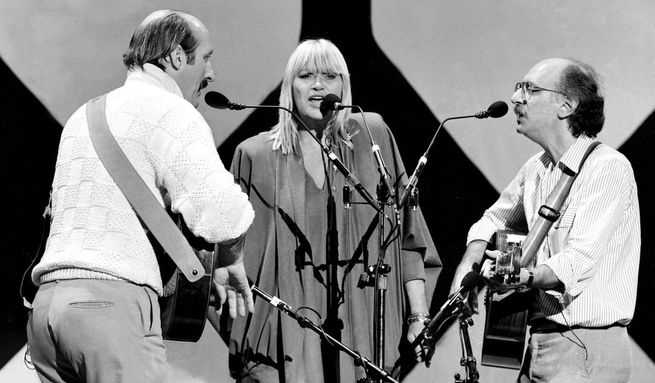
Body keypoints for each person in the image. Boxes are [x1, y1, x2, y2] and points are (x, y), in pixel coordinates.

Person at [26, 10, 255, 383]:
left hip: (47, 311)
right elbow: (224, 213)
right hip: (109, 314)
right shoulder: (171, 111)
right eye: (207, 57)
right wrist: (231, 258)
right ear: (177, 57)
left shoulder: (82, 115)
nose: (211, 73)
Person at [226, 38, 441, 383]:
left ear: (344, 85)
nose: (318, 86)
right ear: (288, 87)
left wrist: (418, 316)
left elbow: (408, 235)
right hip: (286, 333)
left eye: (330, 76)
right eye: (306, 75)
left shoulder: (371, 136)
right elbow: (231, 257)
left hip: (360, 324)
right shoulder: (255, 156)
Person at [451, 58, 640, 382]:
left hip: (585, 348)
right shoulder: (537, 168)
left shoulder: (608, 168)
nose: (515, 99)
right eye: (518, 88)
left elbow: (578, 260)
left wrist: (521, 277)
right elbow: (492, 220)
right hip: (539, 343)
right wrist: (468, 267)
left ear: (566, 105)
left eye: (530, 89)